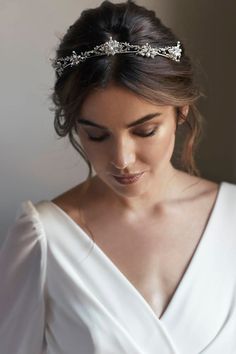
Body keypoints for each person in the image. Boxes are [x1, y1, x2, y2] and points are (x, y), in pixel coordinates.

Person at [1, 1, 236, 353]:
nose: (122, 160)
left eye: (145, 131)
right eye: (96, 135)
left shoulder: (231, 220)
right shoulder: (44, 239)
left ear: (181, 112)